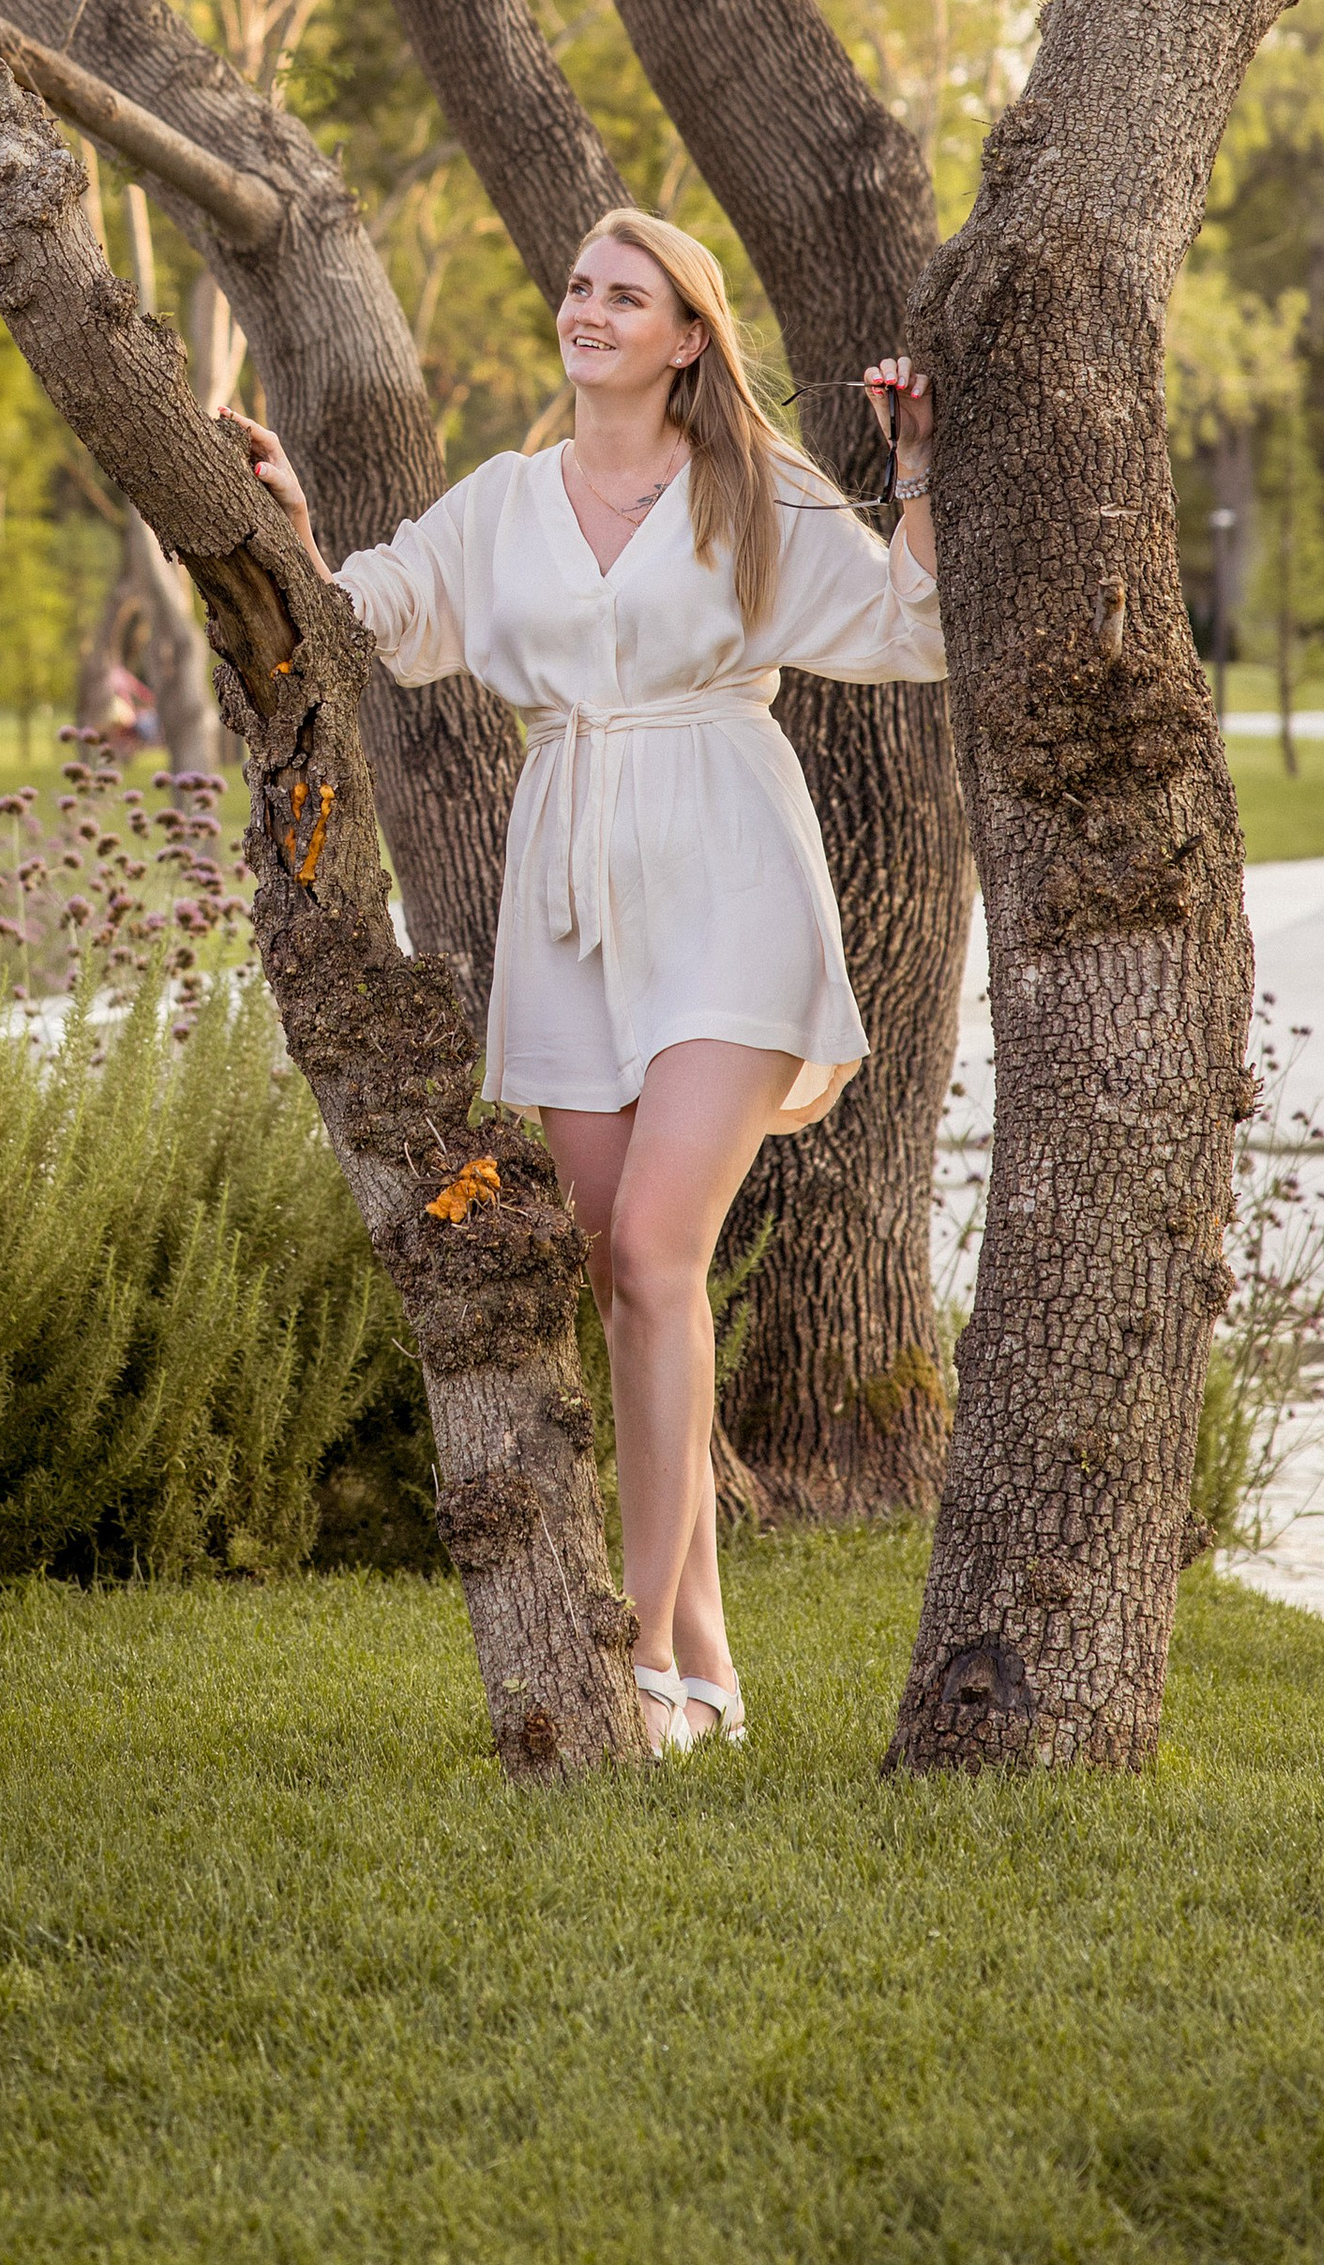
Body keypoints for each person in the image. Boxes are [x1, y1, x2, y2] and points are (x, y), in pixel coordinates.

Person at [223, 207, 939, 1760]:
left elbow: (907, 624)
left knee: (662, 1246)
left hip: (733, 872)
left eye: (627, 294)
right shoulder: (501, 503)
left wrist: (923, 474)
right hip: (570, 892)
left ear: (691, 334)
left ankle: (642, 1646)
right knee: (616, 1262)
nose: (588, 310)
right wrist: (279, 520)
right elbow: (378, 621)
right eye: (578, 288)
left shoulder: (754, 488)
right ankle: (704, 1649)